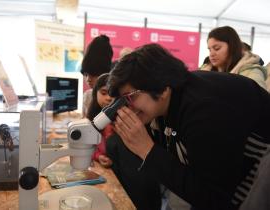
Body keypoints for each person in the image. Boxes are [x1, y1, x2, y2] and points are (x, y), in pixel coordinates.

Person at [107, 43, 270, 210]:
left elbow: (213, 198)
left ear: (162, 88)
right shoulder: (166, 103)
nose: (126, 108)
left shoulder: (205, 109)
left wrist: (146, 150)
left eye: (129, 98)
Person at [206, 26, 268, 90]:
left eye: (217, 48)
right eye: (210, 50)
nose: (211, 54)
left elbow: (260, 97)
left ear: (232, 46)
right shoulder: (206, 69)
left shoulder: (251, 71)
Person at [80, 34, 113, 117]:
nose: (88, 80)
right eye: (86, 74)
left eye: (93, 74)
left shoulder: (114, 98)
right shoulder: (87, 97)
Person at [86, 73, 114, 167]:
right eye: (104, 93)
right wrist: (98, 156)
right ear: (95, 93)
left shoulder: (121, 123)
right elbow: (88, 148)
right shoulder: (91, 119)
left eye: (113, 94)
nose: (109, 98)